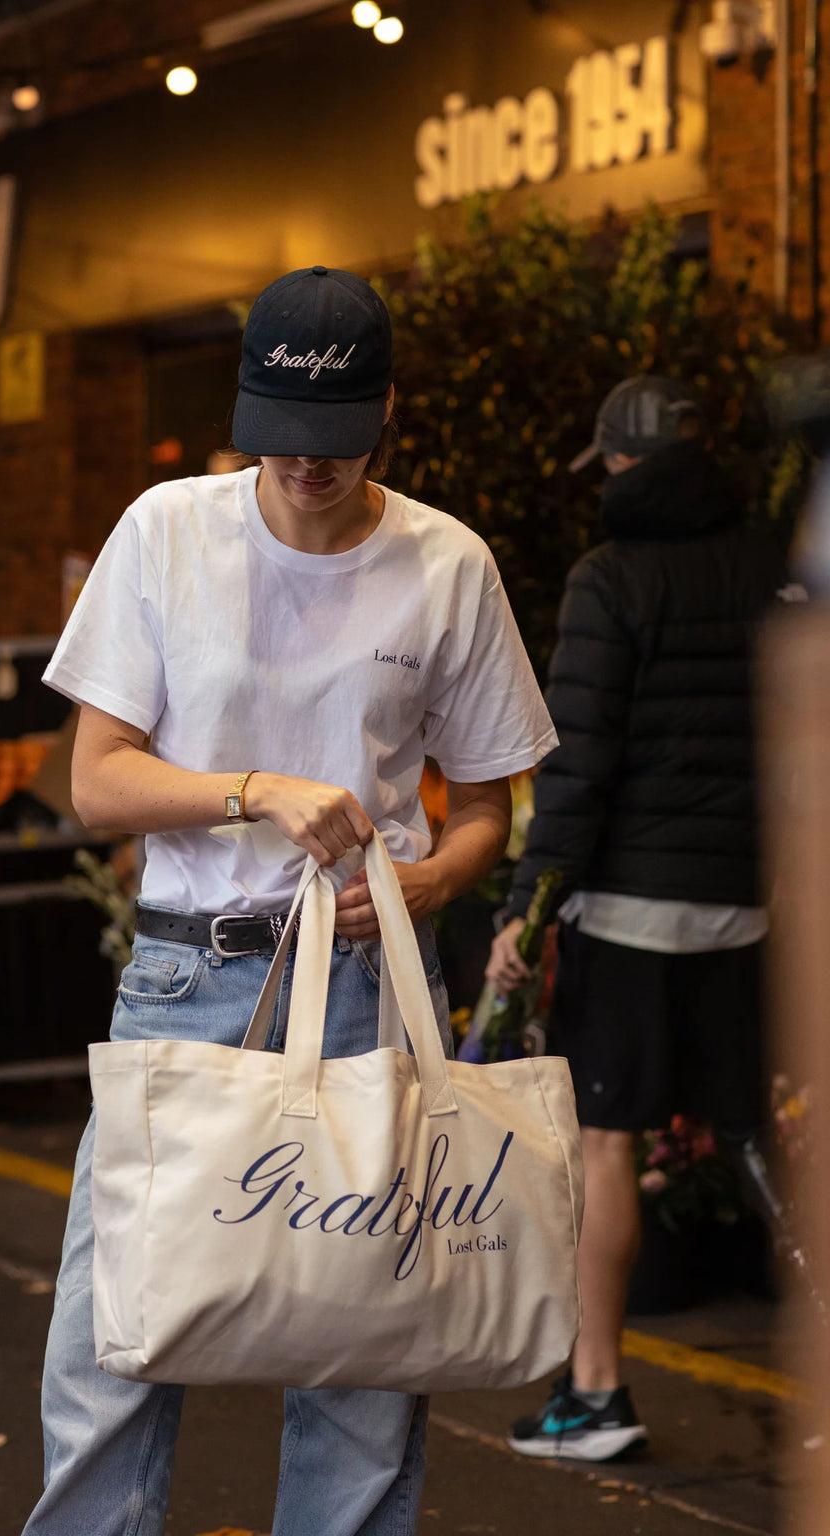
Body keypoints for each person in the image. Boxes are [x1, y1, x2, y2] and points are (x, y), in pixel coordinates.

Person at [26, 265, 557, 1536]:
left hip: (375, 987)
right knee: (112, 1346)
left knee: (364, 1353)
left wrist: (431, 878)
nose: (302, 471)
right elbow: (96, 787)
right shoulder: (167, 530)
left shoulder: (448, 565)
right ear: (242, 401)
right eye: (277, 437)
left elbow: (489, 804)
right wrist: (252, 790)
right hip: (185, 975)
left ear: (387, 414)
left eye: (332, 443)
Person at [487, 375, 786, 1463]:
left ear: (616, 464)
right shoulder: (775, 569)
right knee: (762, 1139)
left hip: (628, 915)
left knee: (605, 1143)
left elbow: (577, 773)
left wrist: (526, 907)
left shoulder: (606, 580)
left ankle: (598, 1394)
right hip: (747, 909)